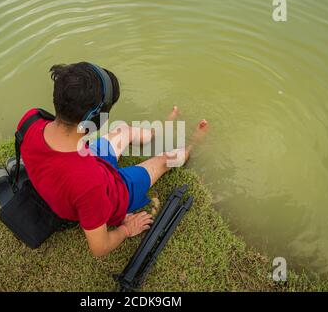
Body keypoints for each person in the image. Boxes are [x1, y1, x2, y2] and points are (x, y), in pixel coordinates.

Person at [17, 62, 208, 257]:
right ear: (97, 118)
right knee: (165, 160)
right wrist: (126, 229)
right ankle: (191, 145)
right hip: (113, 191)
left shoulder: (32, 119)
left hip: (87, 157)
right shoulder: (89, 183)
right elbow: (99, 248)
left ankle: (155, 133)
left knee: (123, 130)